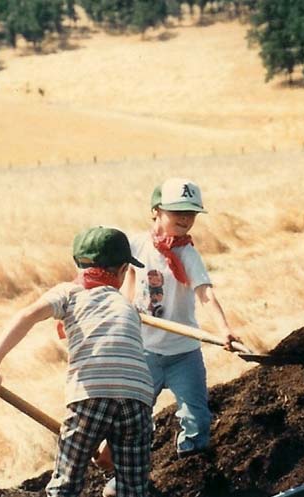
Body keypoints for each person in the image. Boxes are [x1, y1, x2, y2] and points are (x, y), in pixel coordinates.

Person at [0, 227, 154, 497]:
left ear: (79, 265)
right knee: (133, 490)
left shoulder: (70, 292)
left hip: (91, 394)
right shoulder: (127, 306)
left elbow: (27, 316)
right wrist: (110, 448)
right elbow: (120, 372)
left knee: (66, 485)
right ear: (120, 271)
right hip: (138, 398)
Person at [123, 177, 238, 457]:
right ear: (156, 211)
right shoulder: (137, 245)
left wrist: (224, 329)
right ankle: (127, 475)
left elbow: (205, 293)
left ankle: (191, 467)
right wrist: (124, 305)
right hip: (144, 353)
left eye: (191, 213)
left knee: (196, 418)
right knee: (133, 418)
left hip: (184, 354)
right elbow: (125, 272)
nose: (185, 218)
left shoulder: (187, 254)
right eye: (177, 212)